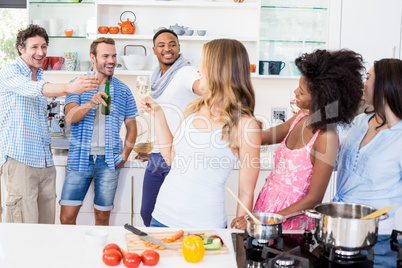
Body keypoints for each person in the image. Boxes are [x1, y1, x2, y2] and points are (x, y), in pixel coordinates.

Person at [140, 38, 261, 229]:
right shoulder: (193, 107)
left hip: (206, 226)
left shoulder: (246, 126)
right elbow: (171, 157)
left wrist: (240, 232)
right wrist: (158, 114)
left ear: (218, 69)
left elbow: (246, 191)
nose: (198, 69)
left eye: (203, 63)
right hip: (162, 217)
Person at [244, 49, 365, 230]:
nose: (295, 93)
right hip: (267, 206)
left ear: (321, 98)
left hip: (290, 220)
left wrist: (268, 220)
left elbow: (313, 199)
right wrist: (238, 127)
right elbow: (265, 137)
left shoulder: (327, 137)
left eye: (301, 92)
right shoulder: (300, 118)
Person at [0, 24, 98, 224]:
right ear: (21, 48)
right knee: (23, 228)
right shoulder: (9, 73)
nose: (40, 52)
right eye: (34, 47)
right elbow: (34, 89)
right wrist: (69, 87)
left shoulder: (42, 77)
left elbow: (44, 119)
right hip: (21, 161)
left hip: (45, 163)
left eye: (44, 47)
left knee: (46, 229)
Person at [59, 37, 138, 226]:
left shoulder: (123, 90)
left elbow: (132, 126)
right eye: (105, 56)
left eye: (113, 55)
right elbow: (70, 118)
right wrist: (90, 103)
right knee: (66, 218)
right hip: (79, 159)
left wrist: (125, 154)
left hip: (109, 162)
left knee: (102, 218)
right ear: (93, 58)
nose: (111, 60)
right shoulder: (77, 84)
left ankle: (98, 254)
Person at [140, 29, 203, 227]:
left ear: (178, 48)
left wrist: (209, 81)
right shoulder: (157, 76)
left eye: (172, 44)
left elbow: (202, 88)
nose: (168, 49)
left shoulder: (186, 72)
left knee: (176, 216)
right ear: (154, 50)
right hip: (157, 155)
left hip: (179, 155)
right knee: (147, 213)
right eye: (162, 45)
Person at [333, 58, 402, 232]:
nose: (363, 84)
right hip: (340, 223)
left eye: (368, 77)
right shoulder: (358, 122)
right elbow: (333, 162)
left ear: (385, 85)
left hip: (378, 233)